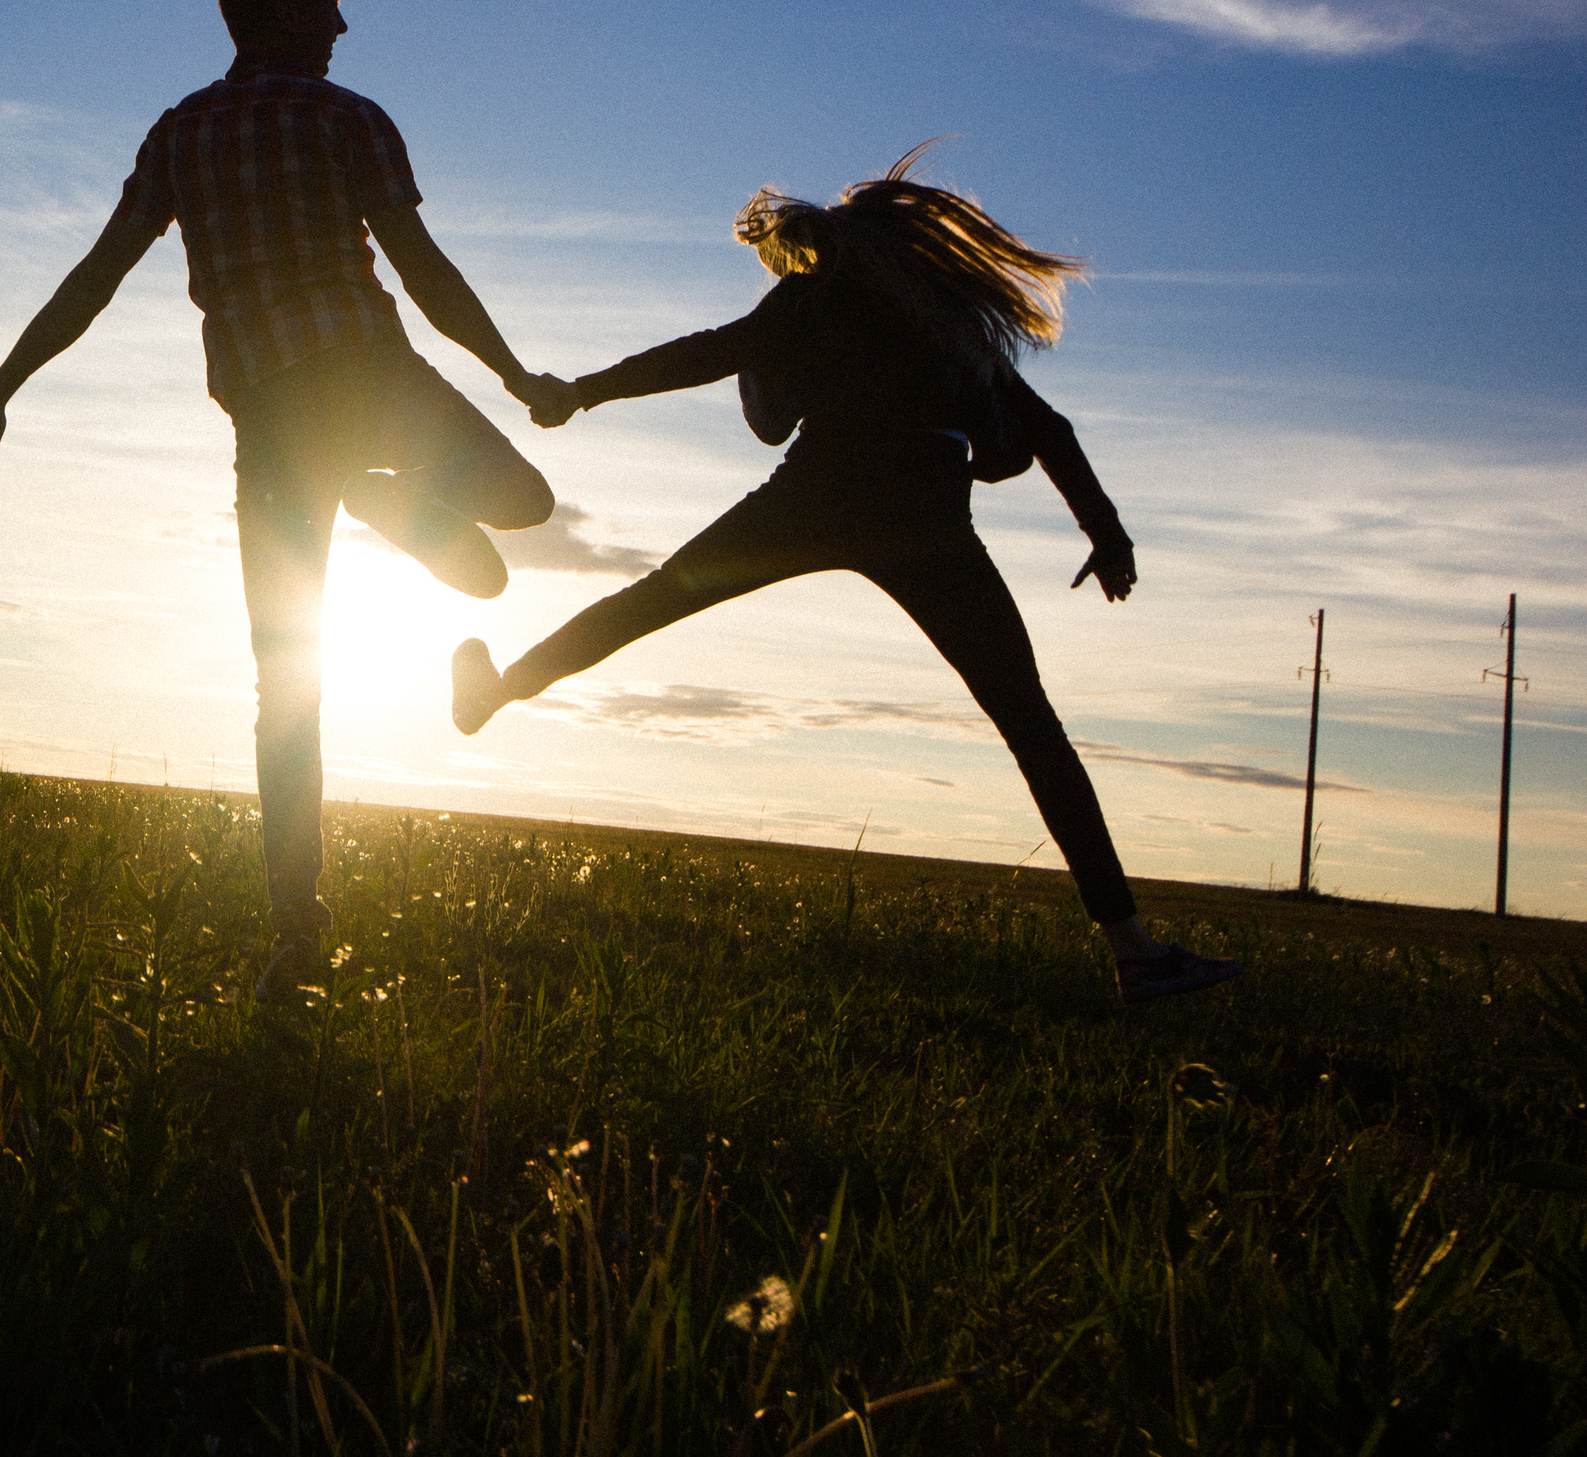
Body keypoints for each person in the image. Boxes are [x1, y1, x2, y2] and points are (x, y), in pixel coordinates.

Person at [448, 149, 1242, 1004]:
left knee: (652, 602)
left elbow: (709, 353)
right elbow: (1046, 427)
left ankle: (498, 691)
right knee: (1029, 720)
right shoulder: (948, 319)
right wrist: (1107, 532)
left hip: (821, 490)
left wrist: (582, 392)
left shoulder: (819, 293)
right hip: (926, 512)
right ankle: (1133, 950)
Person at [0, 0, 565, 998]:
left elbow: (94, 276)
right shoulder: (346, 117)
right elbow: (420, 270)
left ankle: (298, 929)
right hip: (372, 385)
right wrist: (515, 375)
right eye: (327, 1)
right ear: (278, 10)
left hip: (271, 422)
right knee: (517, 507)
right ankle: (382, 494)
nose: (341, 22)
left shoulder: (181, 131)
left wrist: (0, 389)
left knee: (295, 680)